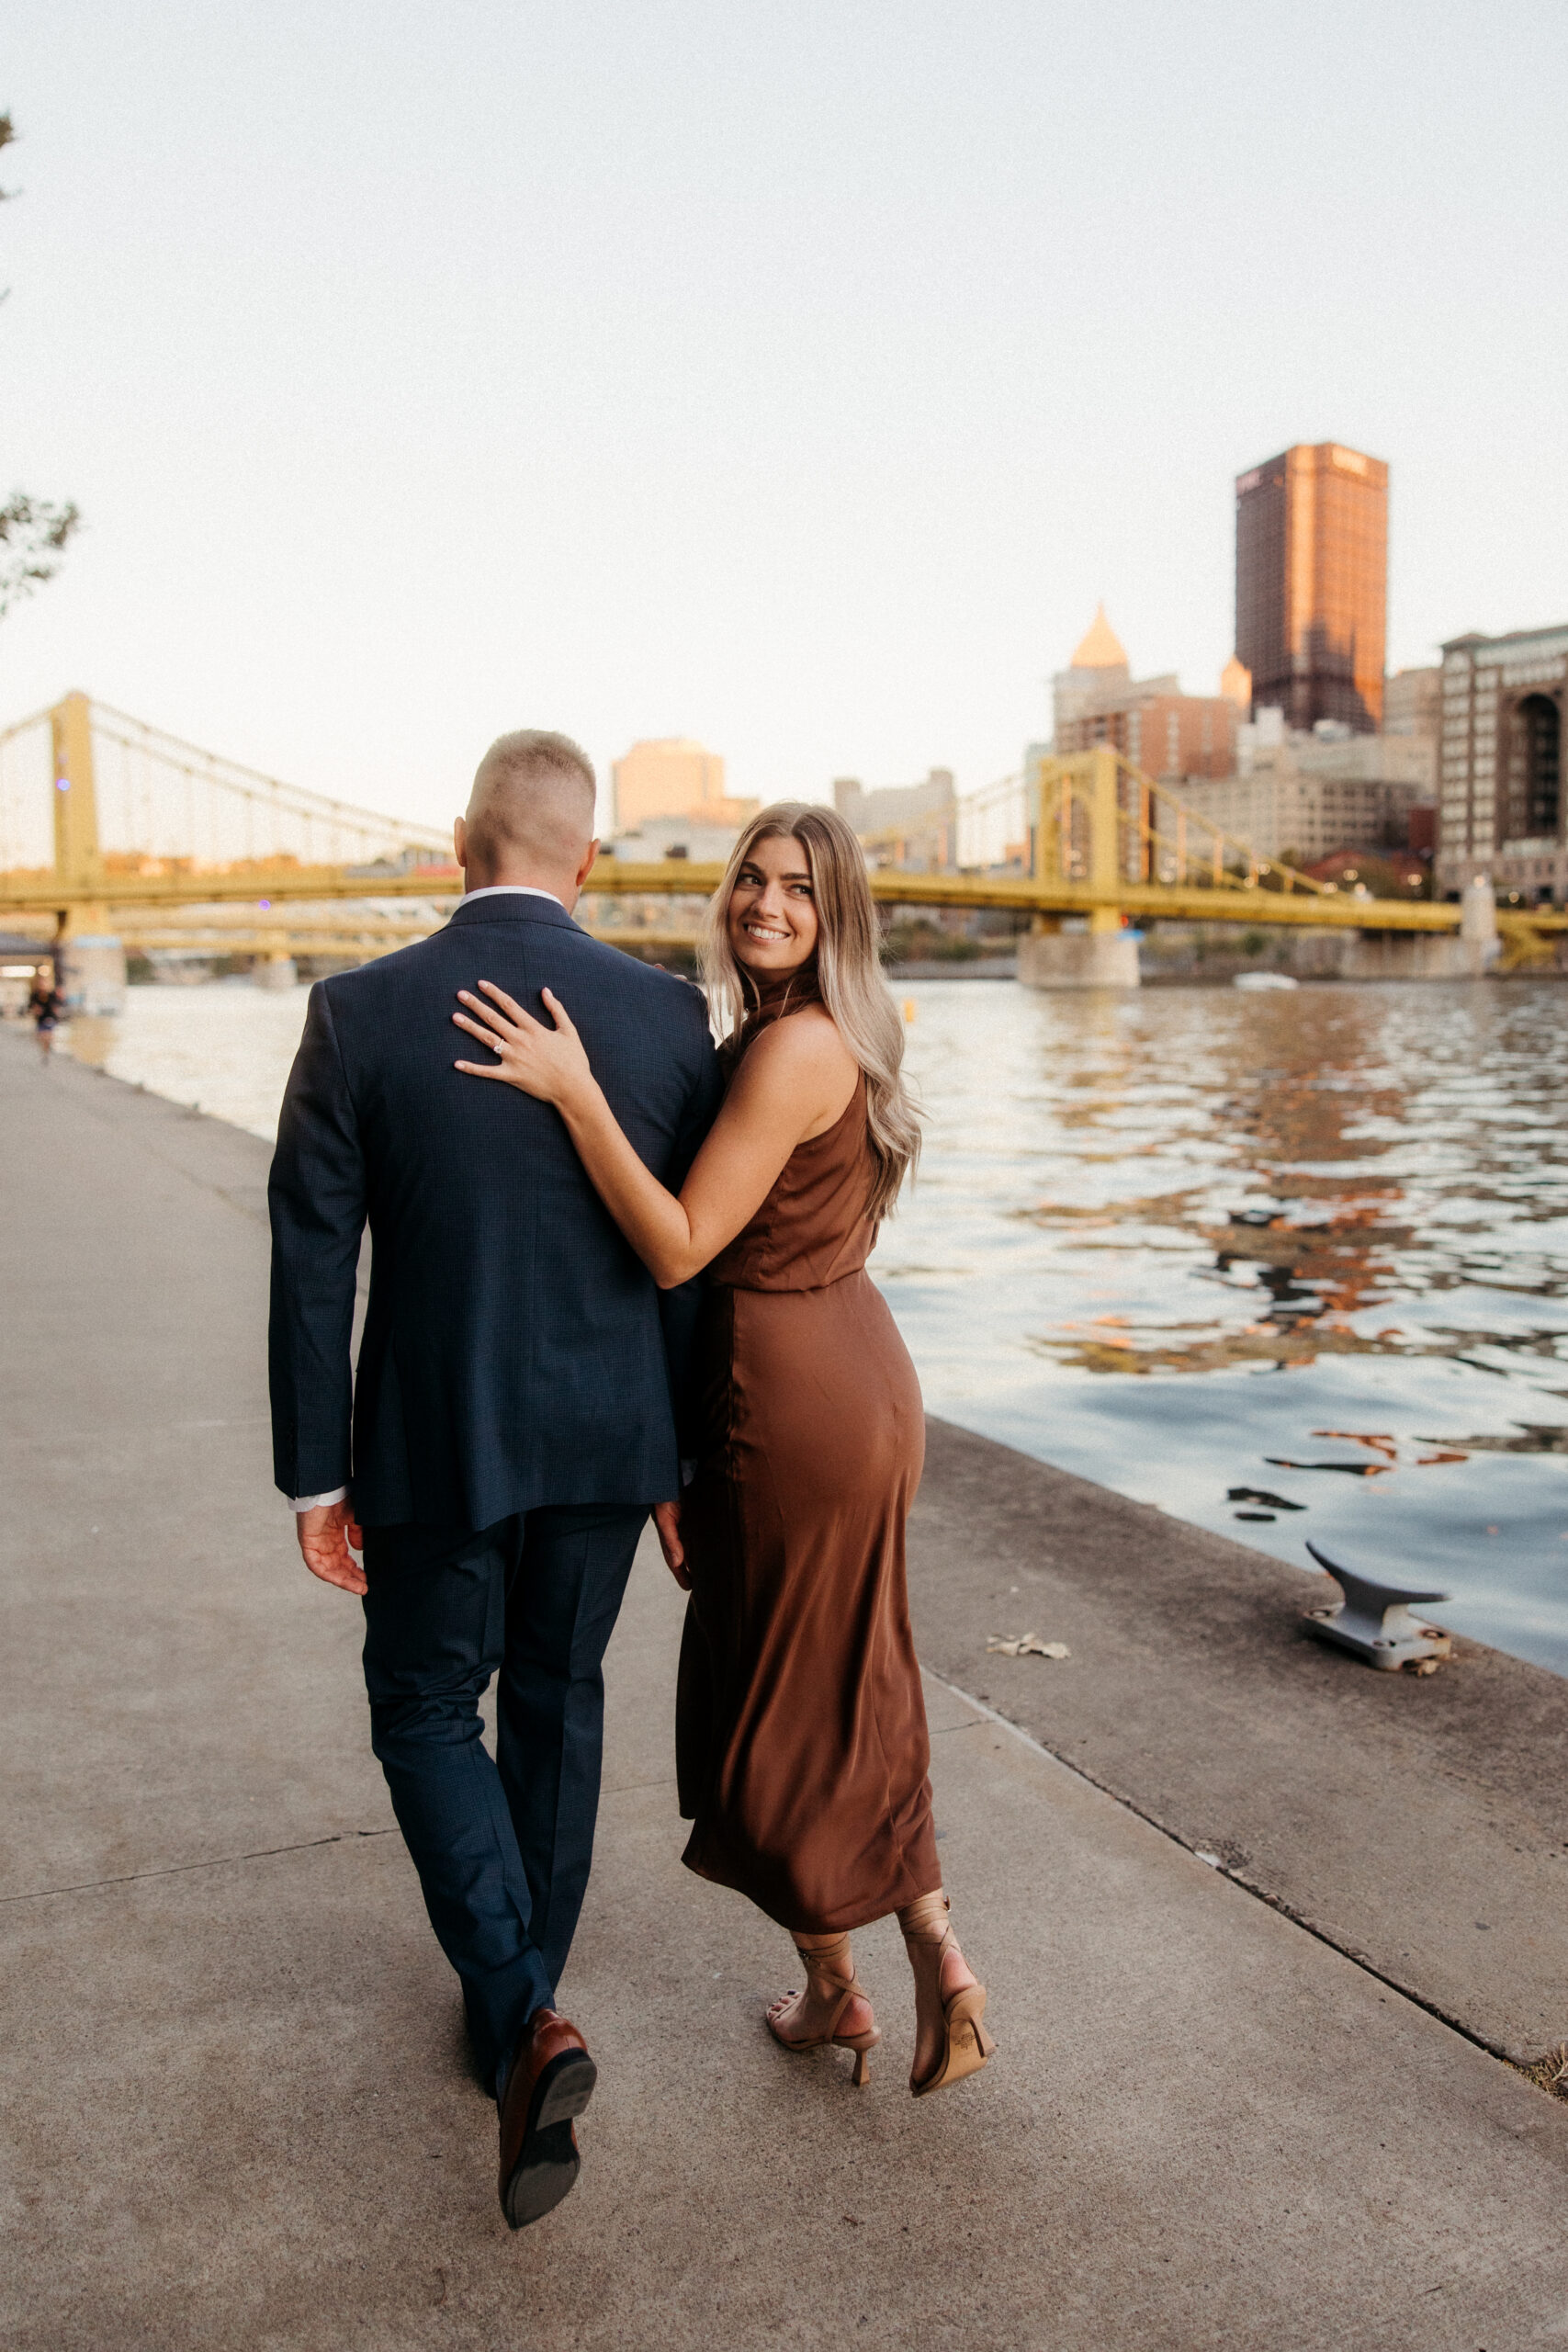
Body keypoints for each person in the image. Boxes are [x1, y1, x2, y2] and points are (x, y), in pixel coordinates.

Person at [451, 801, 994, 2103]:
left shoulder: (790, 1049)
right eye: (750, 879)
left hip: (788, 1403)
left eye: (797, 891)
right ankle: (911, 1966)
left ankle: (861, 1980)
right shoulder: (816, 1036)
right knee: (849, 1681)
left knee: (763, 1714)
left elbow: (683, 1242)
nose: (763, 904)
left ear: (836, 915)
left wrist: (577, 1094)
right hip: (852, 1373)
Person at [267, 730, 721, 2231]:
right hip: (607, 1439)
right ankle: (520, 2017)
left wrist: (311, 1477)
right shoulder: (667, 1016)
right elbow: (683, 1259)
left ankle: (522, 2015)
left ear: (460, 842)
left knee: (419, 1709)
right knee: (557, 1700)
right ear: (583, 859)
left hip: (430, 1440)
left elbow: (313, 1260)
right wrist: (680, 1457)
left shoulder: (355, 1014)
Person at [28, 971, 62, 1064]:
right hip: (40, 1019)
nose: (42, 984)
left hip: (50, 1017)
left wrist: (56, 1011)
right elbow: (30, 1007)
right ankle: (46, 1050)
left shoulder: (52, 994)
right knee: (40, 1037)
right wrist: (35, 1010)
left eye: (44, 982)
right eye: (41, 982)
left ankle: (47, 1052)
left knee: (48, 1036)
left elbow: (57, 1006)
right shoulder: (35, 995)